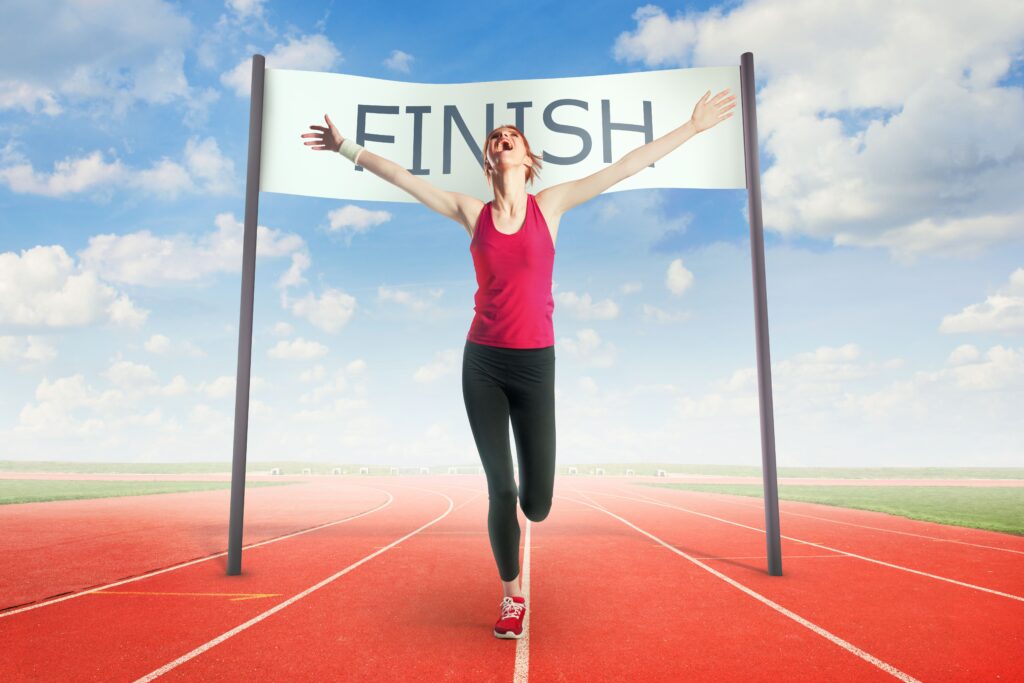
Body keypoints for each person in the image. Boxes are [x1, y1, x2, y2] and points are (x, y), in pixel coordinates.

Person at [300, 88, 735, 639]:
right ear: (490, 160)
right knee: (501, 491)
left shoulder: (549, 206)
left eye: (512, 137)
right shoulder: (471, 213)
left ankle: (532, 514)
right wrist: (345, 147)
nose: (503, 140)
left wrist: (693, 127)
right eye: (496, 138)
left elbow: (625, 166)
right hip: (482, 363)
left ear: (528, 158)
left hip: (535, 367)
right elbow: (405, 179)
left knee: (538, 504)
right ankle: (512, 597)